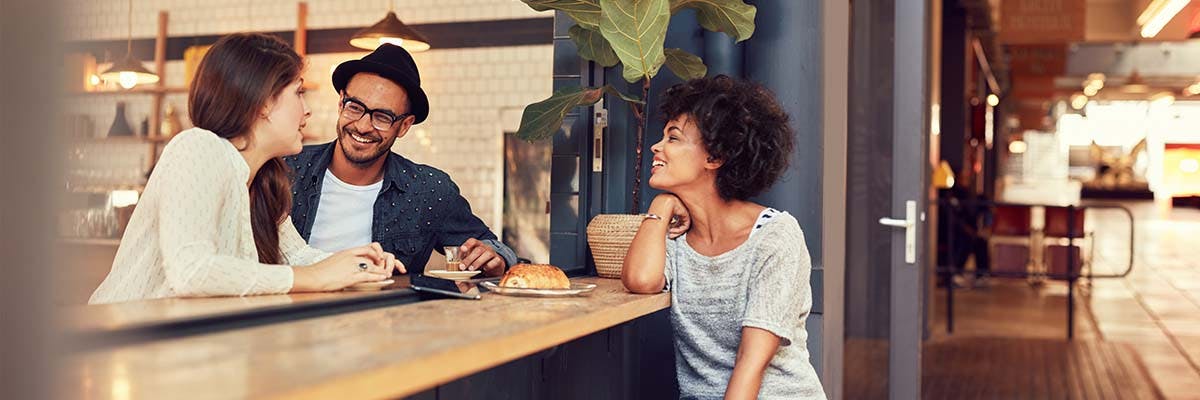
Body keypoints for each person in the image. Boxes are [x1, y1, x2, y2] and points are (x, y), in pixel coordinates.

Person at [90, 33, 402, 305]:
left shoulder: (265, 178)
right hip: (117, 341)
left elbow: (298, 256)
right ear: (264, 102)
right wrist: (314, 278)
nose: (307, 110)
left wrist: (362, 265)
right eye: (298, 93)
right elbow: (192, 272)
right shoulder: (198, 147)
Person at [622, 76, 826, 399]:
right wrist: (661, 204)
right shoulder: (675, 237)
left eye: (673, 138)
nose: (656, 147)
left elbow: (750, 363)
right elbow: (640, 280)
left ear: (715, 158)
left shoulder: (775, 237)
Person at [285, 44, 516, 277]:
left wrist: (493, 259)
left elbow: (491, 248)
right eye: (354, 107)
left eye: (382, 117)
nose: (363, 126)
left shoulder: (428, 190)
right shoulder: (284, 169)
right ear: (341, 103)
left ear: (404, 126)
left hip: (389, 303)